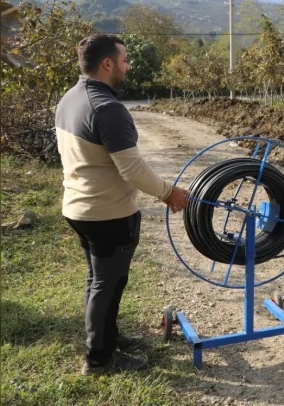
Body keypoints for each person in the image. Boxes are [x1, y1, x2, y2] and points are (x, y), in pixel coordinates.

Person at [55, 34, 189, 376]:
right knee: (107, 283)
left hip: (79, 206)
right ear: (107, 63)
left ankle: (109, 337)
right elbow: (132, 169)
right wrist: (169, 193)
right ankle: (99, 359)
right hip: (106, 213)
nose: (128, 67)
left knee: (99, 279)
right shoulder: (108, 109)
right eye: (125, 60)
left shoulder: (70, 99)